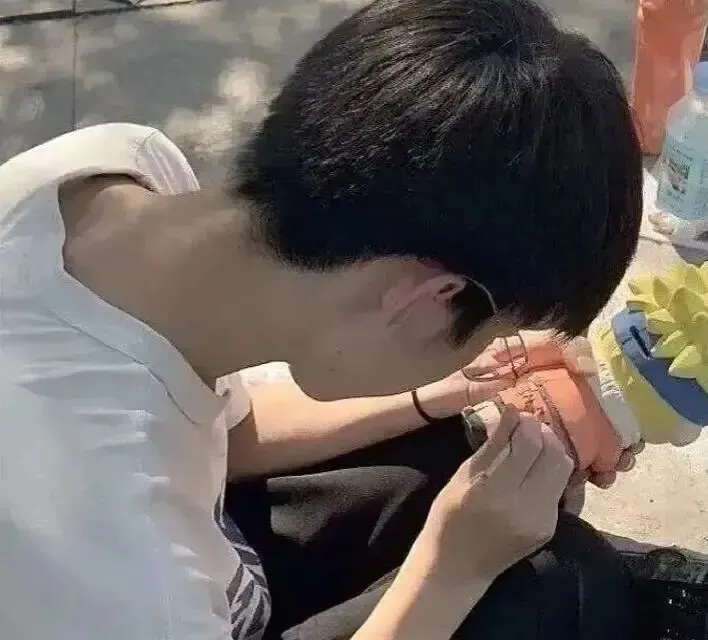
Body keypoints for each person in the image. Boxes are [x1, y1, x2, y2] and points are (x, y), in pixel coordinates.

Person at [0, 0, 643, 638]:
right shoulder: (116, 558)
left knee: (466, 457)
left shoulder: (116, 173)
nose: (481, 354)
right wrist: (451, 570)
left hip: (194, 554)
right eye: (490, 333)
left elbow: (224, 433)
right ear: (427, 298)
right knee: (558, 590)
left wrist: (442, 392)